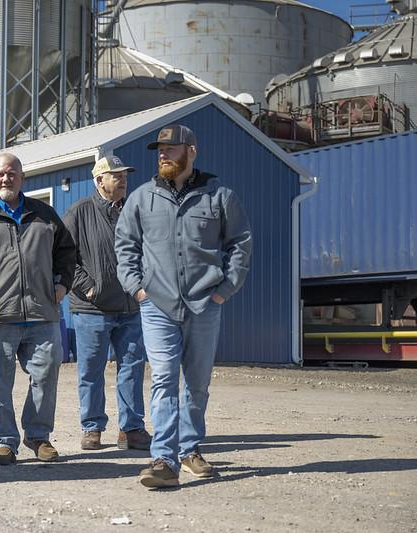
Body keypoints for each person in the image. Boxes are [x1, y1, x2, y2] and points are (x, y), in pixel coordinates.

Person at [115, 124, 252, 488]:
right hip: (156, 304)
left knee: (196, 382)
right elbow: (125, 245)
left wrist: (225, 289)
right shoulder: (142, 198)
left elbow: (240, 242)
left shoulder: (219, 196)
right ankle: (163, 458)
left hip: (204, 303)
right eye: (159, 149)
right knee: (163, 378)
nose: (163, 154)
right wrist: (137, 289)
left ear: (191, 150)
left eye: (171, 148)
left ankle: (190, 449)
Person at [0, 153, 76, 466]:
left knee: (46, 375)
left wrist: (62, 284)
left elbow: (67, 252)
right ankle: (3, 443)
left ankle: (38, 436)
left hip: (41, 314)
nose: (6, 179)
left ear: (22, 178)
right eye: (0, 174)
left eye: (12, 173)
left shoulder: (44, 214)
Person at [63, 155, 150, 451]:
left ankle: (132, 429)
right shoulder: (79, 211)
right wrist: (87, 287)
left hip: (130, 307)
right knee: (91, 371)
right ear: (99, 181)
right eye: (116, 175)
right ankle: (92, 428)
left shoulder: (134, 211)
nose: (123, 179)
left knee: (133, 368)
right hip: (93, 309)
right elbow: (62, 257)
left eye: (125, 175)